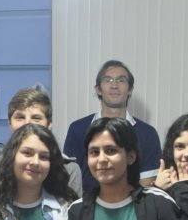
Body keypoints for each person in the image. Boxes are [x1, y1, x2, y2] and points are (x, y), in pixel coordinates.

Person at [62, 60, 163, 191]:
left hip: (134, 203)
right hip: (86, 202)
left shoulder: (148, 134)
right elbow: (71, 179)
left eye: (121, 80)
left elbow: (147, 186)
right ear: (98, 89)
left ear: (130, 89)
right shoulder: (77, 129)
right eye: (108, 80)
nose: (114, 85)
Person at [0, 87, 82, 196]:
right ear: (10, 124)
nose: (27, 124)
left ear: (49, 125)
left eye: (36, 118)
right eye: (20, 117)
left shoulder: (69, 170)